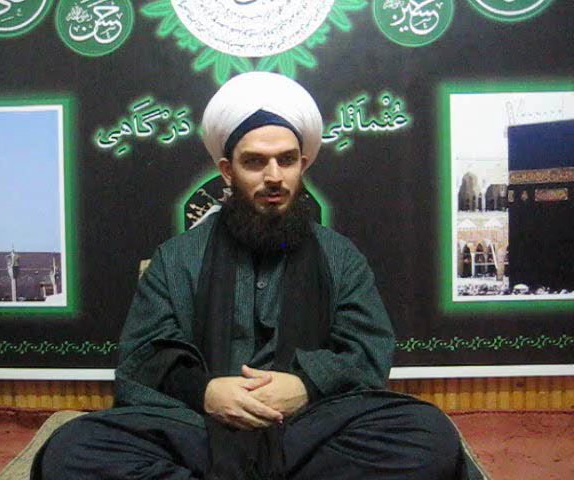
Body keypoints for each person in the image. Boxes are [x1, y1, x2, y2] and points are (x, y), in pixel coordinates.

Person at [33, 72, 485, 479]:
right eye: (255, 162)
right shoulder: (177, 258)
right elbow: (143, 357)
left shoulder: (340, 257)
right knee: (71, 451)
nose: (274, 176)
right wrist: (207, 392)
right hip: (199, 429)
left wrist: (305, 386)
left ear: (302, 164)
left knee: (428, 436)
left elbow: (367, 352)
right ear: (227, 170)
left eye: (286, 160)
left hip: (306, 430)